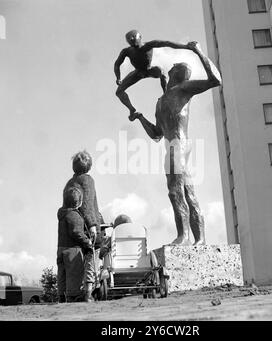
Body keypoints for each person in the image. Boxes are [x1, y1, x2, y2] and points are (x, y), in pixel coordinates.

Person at [130, 42, 222, 246]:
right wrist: (140, 118)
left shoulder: (183, 89)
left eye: (177, 68)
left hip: (179, 146)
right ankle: (200, 239)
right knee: (188, 191)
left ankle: (185, 237)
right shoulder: (161, 101)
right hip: (172, 147)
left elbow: (216, 80)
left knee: (175, 191)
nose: (172, 68)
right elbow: (156, 134)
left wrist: (198, 51)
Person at [114, 29, 196, 121]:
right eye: (129, 39)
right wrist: (118, 78)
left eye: (133, 37)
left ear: (140, 37)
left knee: (162, 72)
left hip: (149, 70)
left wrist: (186, 46)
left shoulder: (149, 45)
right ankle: (131, 109)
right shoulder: (126, 51)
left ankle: (166, 94)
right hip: (138, 72)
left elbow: (168, 43)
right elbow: (117, 64)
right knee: (119, 92)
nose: (131, 40)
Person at [63, 151, 104, 302]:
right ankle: (88, 292)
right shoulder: (87, 180)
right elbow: (87, 205)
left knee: (75, 262)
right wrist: (93, 225)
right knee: (91, 256)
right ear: (89, 166)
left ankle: (73, 294)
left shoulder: (69, 183)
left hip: (72, 227)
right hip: (88, 225)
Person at [57, 187, 92, 303]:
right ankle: (73, 298)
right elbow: (76, 232)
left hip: (61, 249)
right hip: (73, 250)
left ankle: (61, 297)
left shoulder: (62, 213)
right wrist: (87, 242)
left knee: (62, 275)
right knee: (74, 274)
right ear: (78, 201)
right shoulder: (73, 215)